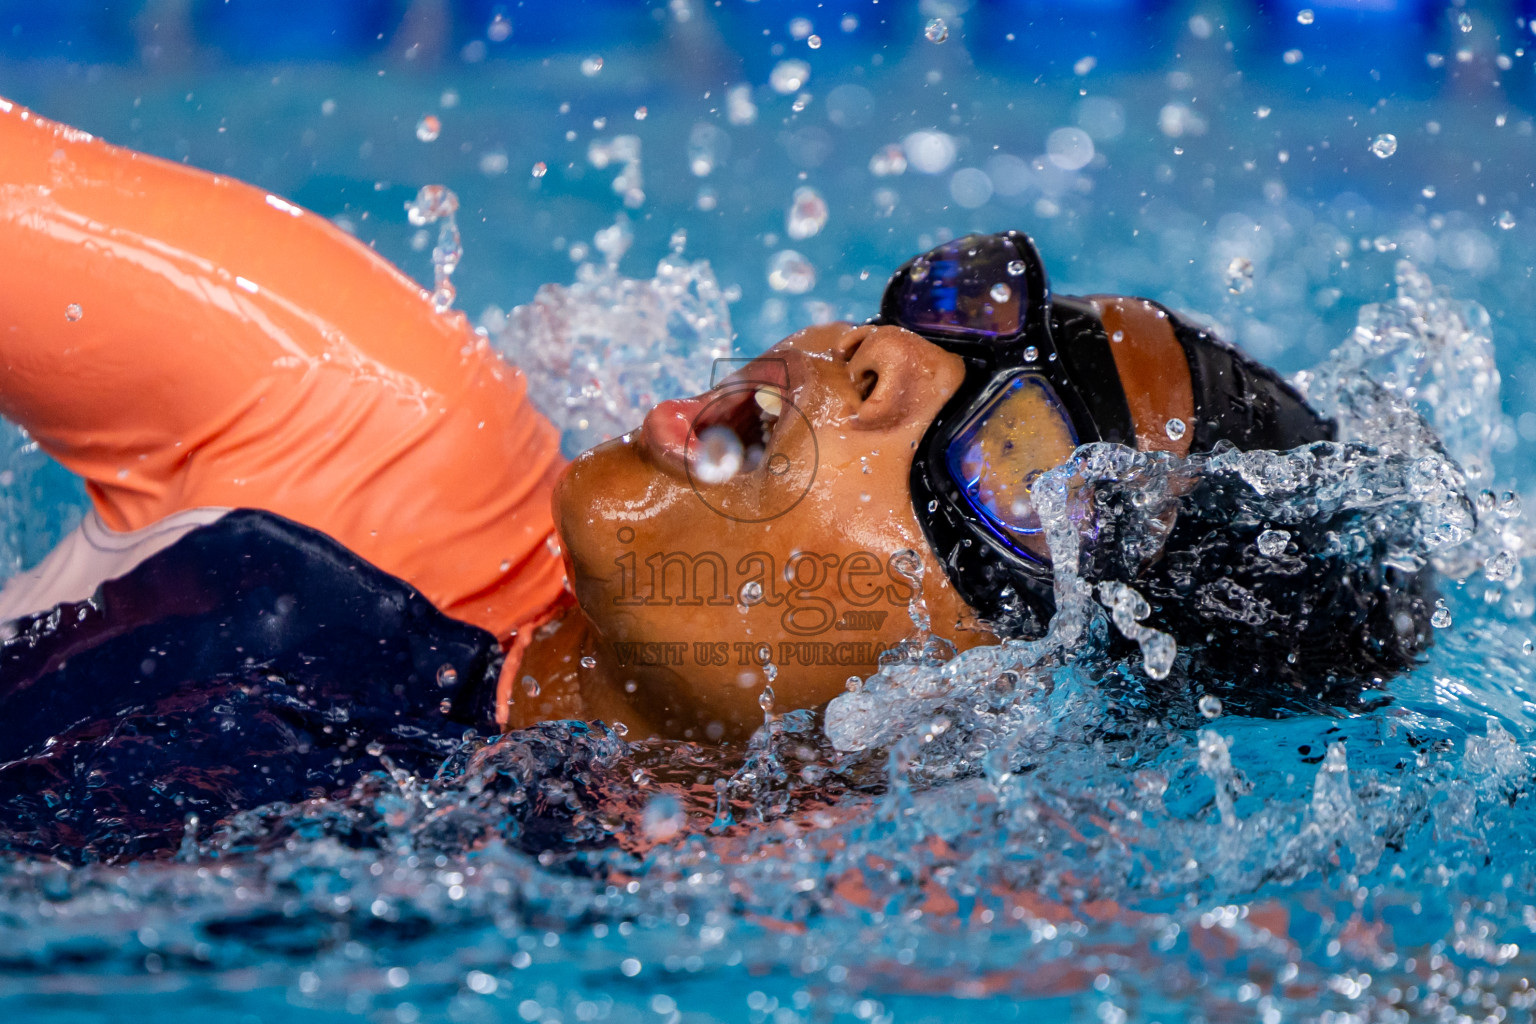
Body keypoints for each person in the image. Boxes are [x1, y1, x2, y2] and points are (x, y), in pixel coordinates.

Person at [0, 97, 1433, 763]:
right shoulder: (360, 438)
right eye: (939, 318)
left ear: (1009, 703)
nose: (876, 359)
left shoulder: (877, 942)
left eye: (1020, 463)